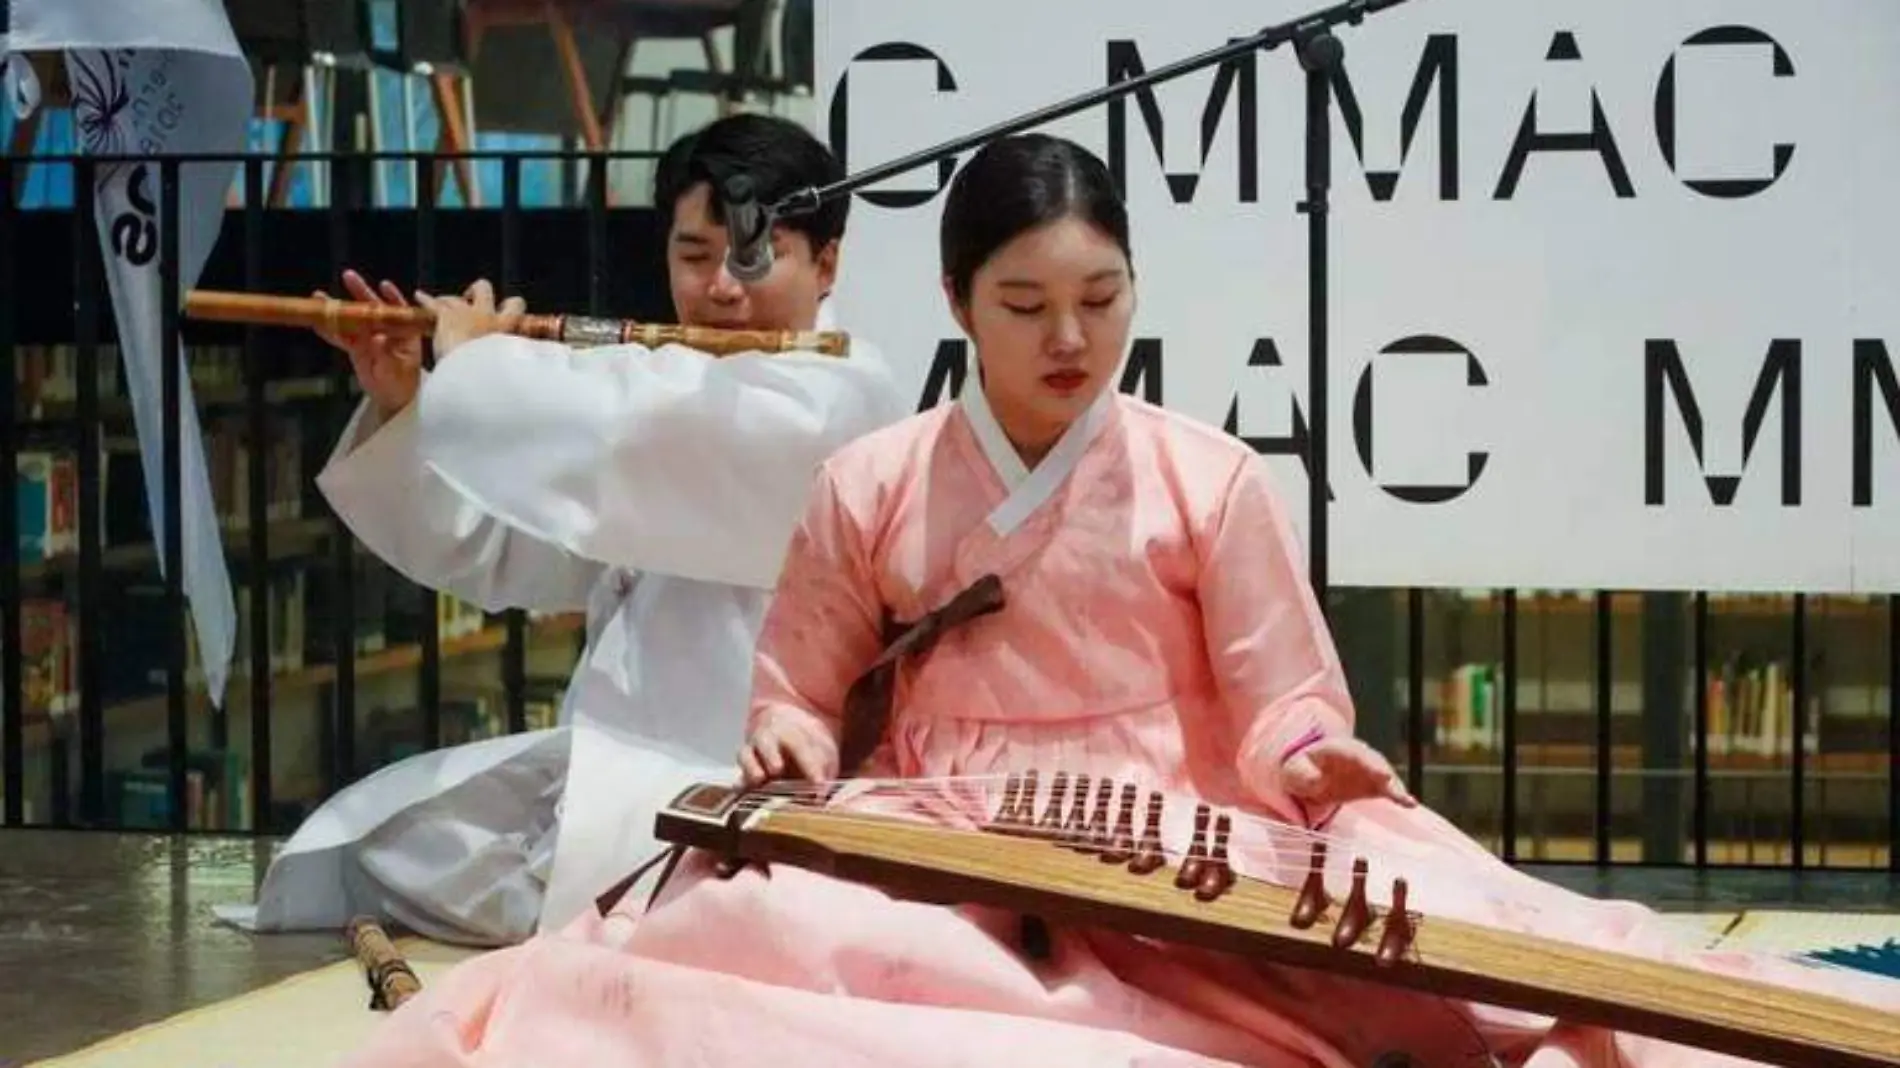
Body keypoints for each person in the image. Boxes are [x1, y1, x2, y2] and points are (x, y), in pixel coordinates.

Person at [335, 134, 1900, 1066]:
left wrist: (1314, 760)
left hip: (1172, 822)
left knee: (1461, 945)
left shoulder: (1204, 476)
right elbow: (801, 687)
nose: (1069, 340)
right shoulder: (872, 477)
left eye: (1101, 301)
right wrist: (796, 748)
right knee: (742, 952)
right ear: (957, 306)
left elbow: (1283, 692)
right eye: (1024, 306)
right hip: (934, 837)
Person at [215, 113, 909, 946]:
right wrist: (408, 401)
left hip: (739, 778)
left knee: (678, 905)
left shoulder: (842, 396)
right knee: (380, 848)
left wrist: (479, 364)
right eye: (694, 256)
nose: (722, 287)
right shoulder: (676, 387)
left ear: (826, 262)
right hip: (609, 771)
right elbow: (513, 549)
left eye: (755, 258)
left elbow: (630, 430)